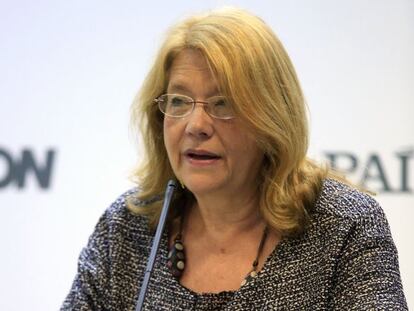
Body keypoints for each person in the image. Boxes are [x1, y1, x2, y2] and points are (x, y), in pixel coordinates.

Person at [61, 7, 408, 310]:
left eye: (223, 103)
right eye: (179, 101)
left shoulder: (343, 227)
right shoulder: (127, 228)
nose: (196, 126)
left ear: (271, 118)